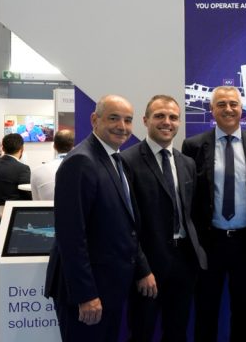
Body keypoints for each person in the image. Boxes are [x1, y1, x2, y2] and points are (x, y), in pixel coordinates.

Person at [45, 95, 154, 342]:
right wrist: (86, 295)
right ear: (95, 120)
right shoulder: (81, 161)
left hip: (109, 288)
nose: (122, 126)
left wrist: (142, 269)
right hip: (87, 295)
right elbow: (71, 236)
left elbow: (126, 225)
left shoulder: (115, 159)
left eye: (128, 120)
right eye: (114, 118)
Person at [121, 95, 207, 342]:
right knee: (142, 332)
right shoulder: (127, 161)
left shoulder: (187, 163)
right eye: (159, 116)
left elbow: (193, 213)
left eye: (173, 117)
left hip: (185, 263)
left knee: (177, 332)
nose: (167, 122)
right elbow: (127, 224)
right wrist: (142, 270)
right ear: (145, 120)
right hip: (148, 265)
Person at [182, 86, 246, 342]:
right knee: (205, 311)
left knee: (245, 312)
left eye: (233, 104)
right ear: (211, 110)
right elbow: (188, 199)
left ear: (241, 108)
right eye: (221, 104)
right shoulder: (193, 146)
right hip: (209, 243)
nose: (228, 109)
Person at [30, 129, 74, 200]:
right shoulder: (83, 169)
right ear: (73, 147)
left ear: (54, 146)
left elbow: (36, 202)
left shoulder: (36, 172)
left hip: (46, 207)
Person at [0, 133, 31, 205]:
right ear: (22, 148)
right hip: (13, 208)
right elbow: (27, 194)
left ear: (3, 148)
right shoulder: (23, 168)